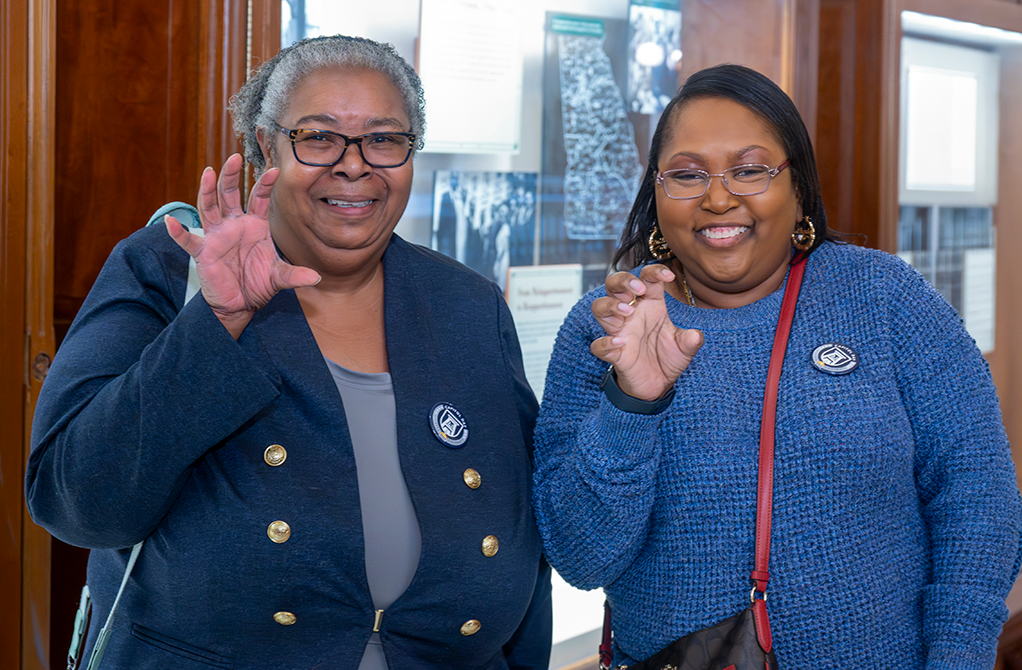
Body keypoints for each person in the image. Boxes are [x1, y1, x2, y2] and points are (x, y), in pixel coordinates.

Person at [26, 35, 551, 670]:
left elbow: (525, 539)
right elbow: (75, 505)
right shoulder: (168, 269)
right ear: (264, 145)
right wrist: (216, 323)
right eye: (318, 137)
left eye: (384, 139)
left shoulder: (467, 304)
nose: (354, 165)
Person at [532, 63, 1022, 669]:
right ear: (656, 192)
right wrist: (632, 405)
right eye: (687, 174)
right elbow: (581, 559)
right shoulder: (607, 328)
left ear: (798, 187)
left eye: (749, 170)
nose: (717, 198)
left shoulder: (884, 297)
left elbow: (978, 495)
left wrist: (957, 656)